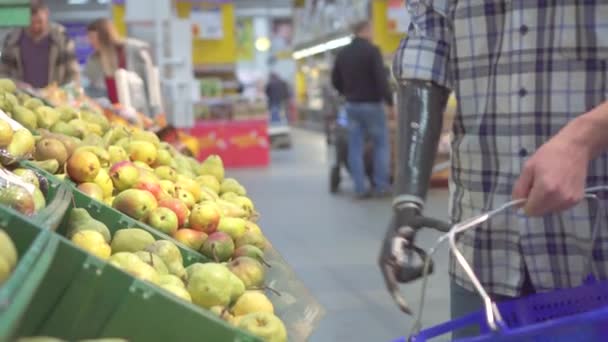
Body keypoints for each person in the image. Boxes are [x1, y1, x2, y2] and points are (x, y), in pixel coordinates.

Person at [378, 1, 608, 338]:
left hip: (594, 250)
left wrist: (587, 135)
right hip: (483, 252)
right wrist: (407, 200)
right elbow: (426, 54)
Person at [331, 20, 393, 199]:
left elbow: (335, 80)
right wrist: (389, 102)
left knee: (355, 147)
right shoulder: (372, 51)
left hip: (352, 105)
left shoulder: (343, 53)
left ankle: (359, 188)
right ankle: (381, 186)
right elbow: (381, 79)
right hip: (373, 105)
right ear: (365, 30)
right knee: (381, 145)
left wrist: (346, 92)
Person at [0, 0, 79, 88]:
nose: (36, 26)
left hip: (55, 97)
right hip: (22, 97)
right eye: (31, 23)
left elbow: (73, 72)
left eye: (39, 22)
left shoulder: (62, 37)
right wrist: (16, 84)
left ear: (47, 14)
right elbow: (3, 73)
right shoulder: (11, 40)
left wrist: (69, 92)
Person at [84, 18, 151, 105]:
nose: (90, 41)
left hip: (137, 108)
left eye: (92, 37)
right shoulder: (94, 60)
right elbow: (92, 88)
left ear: (104, 35)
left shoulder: (132, 51)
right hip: (112, 111)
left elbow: (149, 84)